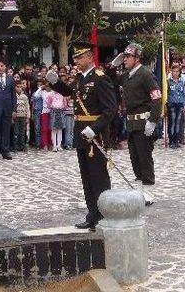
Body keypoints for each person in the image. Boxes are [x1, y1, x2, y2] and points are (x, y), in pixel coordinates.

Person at [46, 43, 117, 231]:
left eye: (79, 57)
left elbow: (110, 110)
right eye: (75, 58)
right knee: (86, 177)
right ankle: (92, 214)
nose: (76, 61)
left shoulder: (101, 79)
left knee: (99, 177)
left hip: (95, 136)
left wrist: (95, 129)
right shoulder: (79, 78)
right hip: (81, 134)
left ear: (89, 57)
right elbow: (70, 92)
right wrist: (55, 83)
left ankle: (104, 214)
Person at [110, 43, 163, 205]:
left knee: (144, 157)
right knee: (135, 157)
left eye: (128, 57)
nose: (125, 60)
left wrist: (153, 120)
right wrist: (113, 65)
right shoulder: (127, 75)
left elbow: (157, 97)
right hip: (131, 123)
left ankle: (148, 191)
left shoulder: (145, 74)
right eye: (124, 57)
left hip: (143, 121)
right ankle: (139, 188)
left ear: (137, 58)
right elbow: (111, 80)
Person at [167, 64, 185, 148]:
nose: (175, 73)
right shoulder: (168, 82)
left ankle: (176, 140)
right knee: (172, 123)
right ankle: (171, 141)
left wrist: (184, 105)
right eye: (174, 71)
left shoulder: (181, 82)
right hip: (172, 104)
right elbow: (166, 94)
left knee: (178, 123)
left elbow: (184, 94)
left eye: (177, 71)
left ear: (179, 72)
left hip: (180, 104)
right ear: (171, 72)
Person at [13, 81, 31, 152]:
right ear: (15, 87)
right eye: (17, 87)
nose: (19, 88)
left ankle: (22, 146)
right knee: (16, 132)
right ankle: (15, 146)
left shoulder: (25, 97)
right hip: (16, 117)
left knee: (22, 132)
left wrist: (28, 117)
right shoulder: (13, 96)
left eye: (20, 87)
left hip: (23, 116)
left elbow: (27, 107)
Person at [47, 87, 66, 152]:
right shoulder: (50, 94)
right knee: (54, 129)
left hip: (60, 112)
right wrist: (53, 106)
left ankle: (59, 145)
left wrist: (62, 106)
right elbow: (48, 104)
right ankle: (54, 145)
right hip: (53, 112)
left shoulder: (62, 94)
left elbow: (65, 104)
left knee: (60, 129)